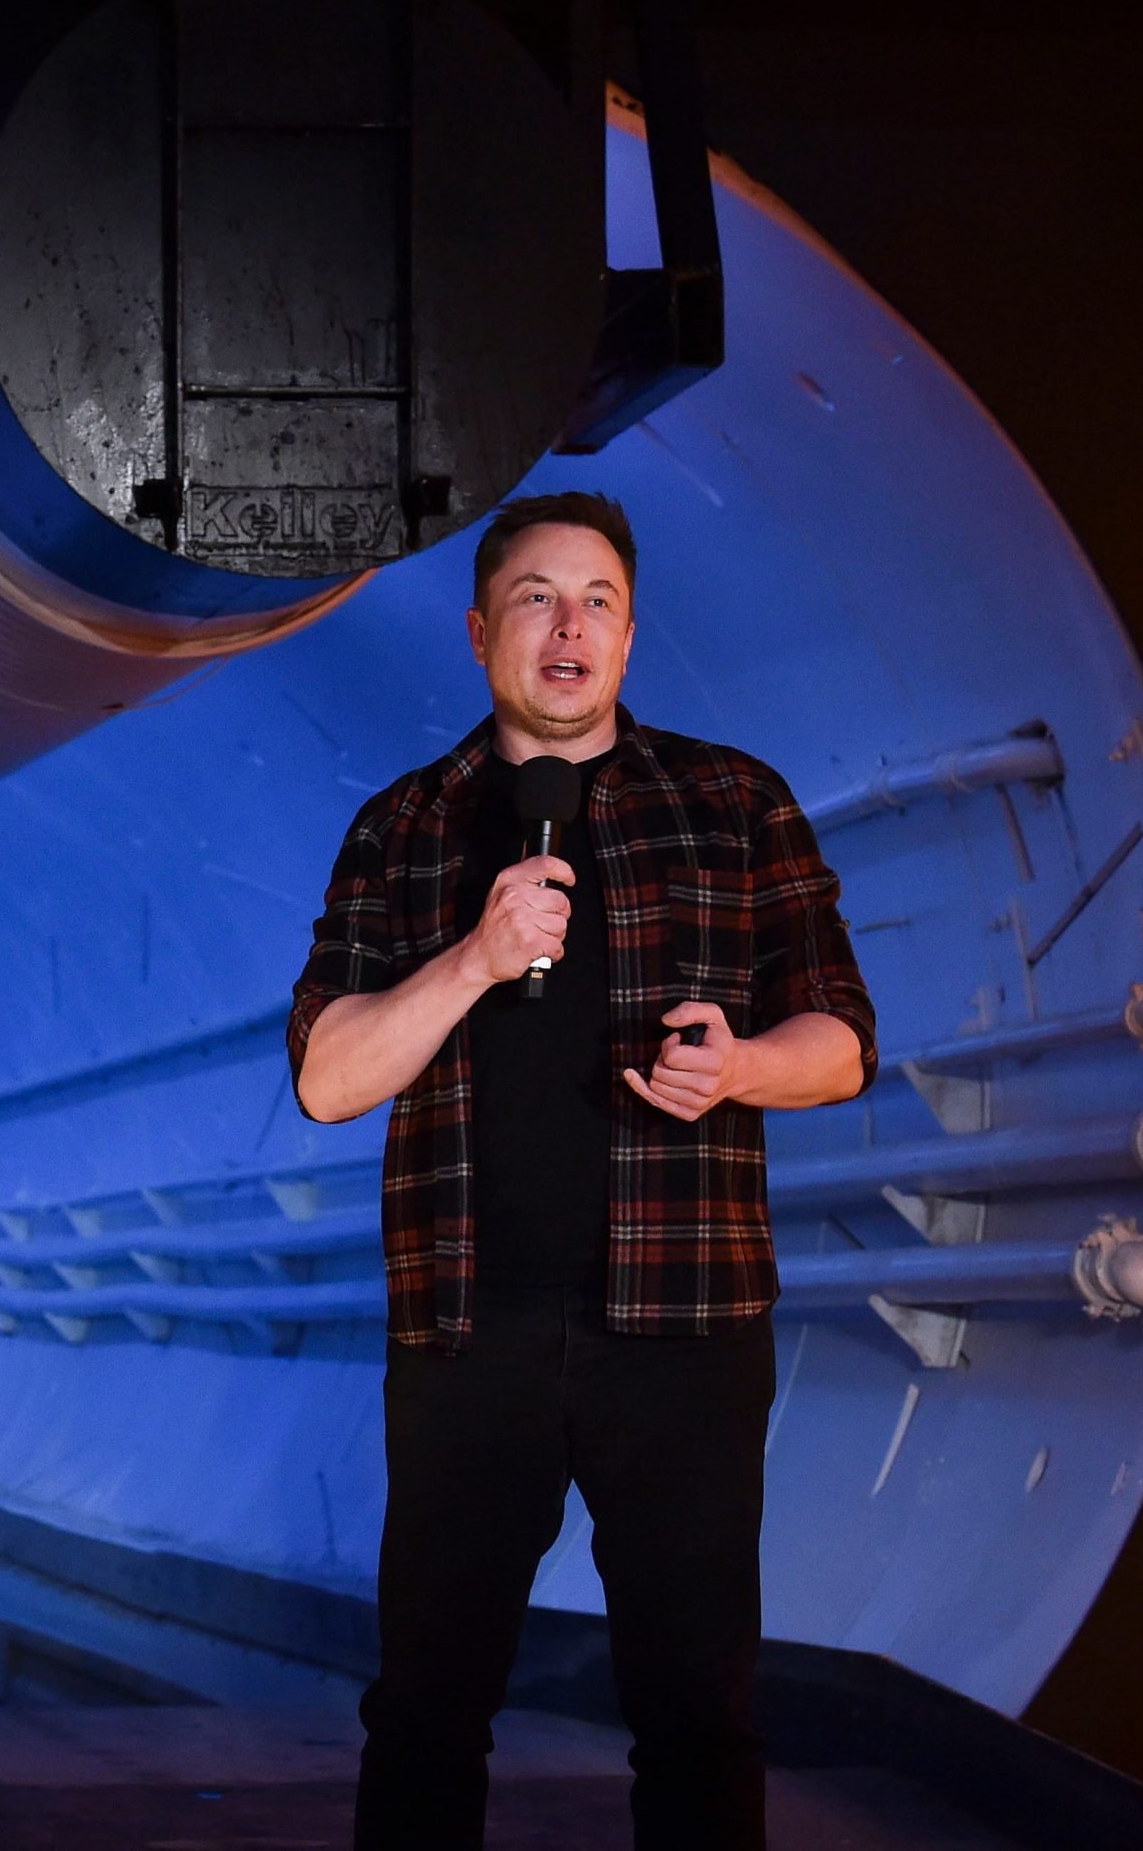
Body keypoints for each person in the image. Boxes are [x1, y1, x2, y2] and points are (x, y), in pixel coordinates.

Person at [287, 490, 880, 1851]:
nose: (571, 626)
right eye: (539, 599)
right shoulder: (406, 828)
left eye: (600, 600)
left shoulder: (735, 804)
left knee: (698, 1714)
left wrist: (738, 1066)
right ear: (483, 631)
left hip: (683, 1337)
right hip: (468, 1335)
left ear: (629, 635)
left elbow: (841, 1040)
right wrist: (477, 958)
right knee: (427, 1713)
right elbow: (329, 1076)